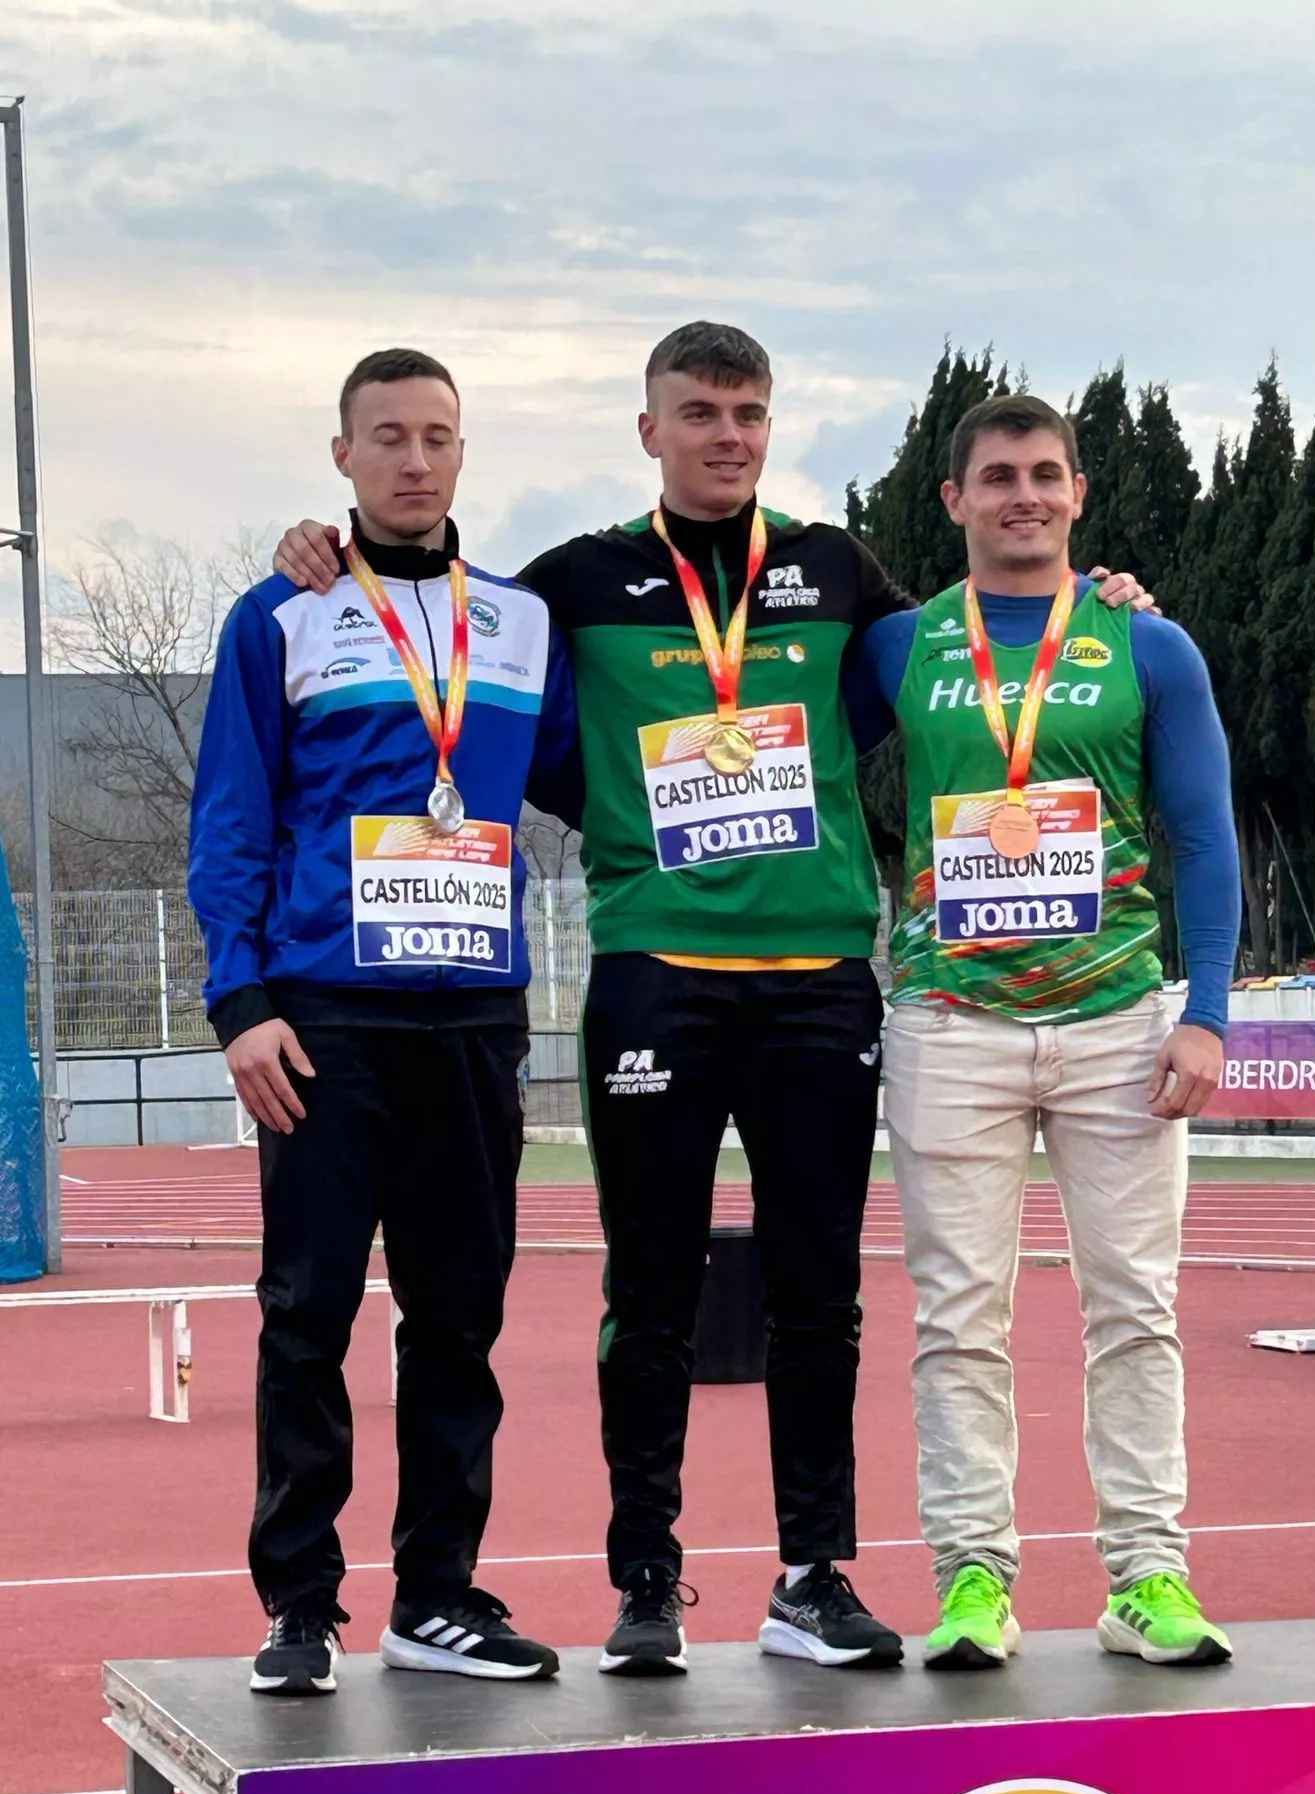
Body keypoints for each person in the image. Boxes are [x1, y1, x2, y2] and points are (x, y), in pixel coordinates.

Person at [271, 326, 1147, 1680]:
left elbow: (965, 660)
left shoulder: (838, 569)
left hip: (815, 984)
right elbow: (478, 689)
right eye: (699, 412)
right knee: (655, 1288)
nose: (727, 434)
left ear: (769, 425)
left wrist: (1096, 608)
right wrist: (314, 554)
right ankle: (648, 1584)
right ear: (650, 431)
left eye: (747, 412)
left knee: (817, 1293)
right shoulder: (572, 583)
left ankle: (813, 1577)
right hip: (655, 977)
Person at [190, 348, 577, 1695]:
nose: (415, 461)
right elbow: (231, 820)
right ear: (342, 455)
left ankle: (440, 1595)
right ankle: (300, 1605)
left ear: (465, 454)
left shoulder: (524, 623)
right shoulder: (281, 615)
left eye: (439, 438)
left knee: (458, 1315)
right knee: (307, 1314)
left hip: (474, 1021)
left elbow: (624, 777)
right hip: (323, 1022)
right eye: (388, 438)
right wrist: (240, 1000)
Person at [851, 393, 1241, 1671]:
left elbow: (1203, 835)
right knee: (959, 1317)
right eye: (998, 476)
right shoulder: (899, 646)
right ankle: (973, 1576)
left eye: (1047, 475)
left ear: (1077, 494)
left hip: (1120, 1025)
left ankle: (1148, 1578)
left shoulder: (1149, 646)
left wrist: (1210, 1011)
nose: (1024, 494)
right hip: (950, 1025)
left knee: (1136, 1308)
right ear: (953, 500)